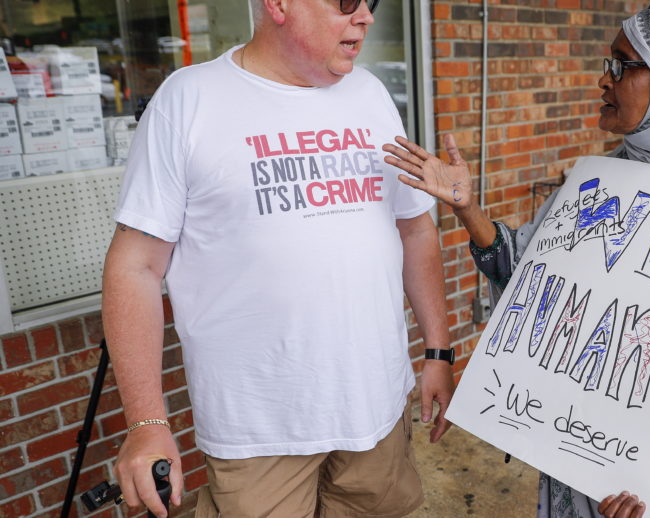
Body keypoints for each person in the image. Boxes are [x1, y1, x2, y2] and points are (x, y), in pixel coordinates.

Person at [384, 1, 650, 516]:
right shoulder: (593, 184)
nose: (605, 80)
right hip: (573, 457)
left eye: (623, 66)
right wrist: (468, 207)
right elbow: (524, 280)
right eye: (608, 63)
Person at [102, 0, 454, 516]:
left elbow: (415, 229)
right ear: (279, 4)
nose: (366, 17)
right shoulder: (190, 98)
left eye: (372, 3)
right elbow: (135, 267)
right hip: (259, 431)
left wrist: (438, 352)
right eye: (347, 2)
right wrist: (147, 423)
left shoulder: (370, 93)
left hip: (375, 413)